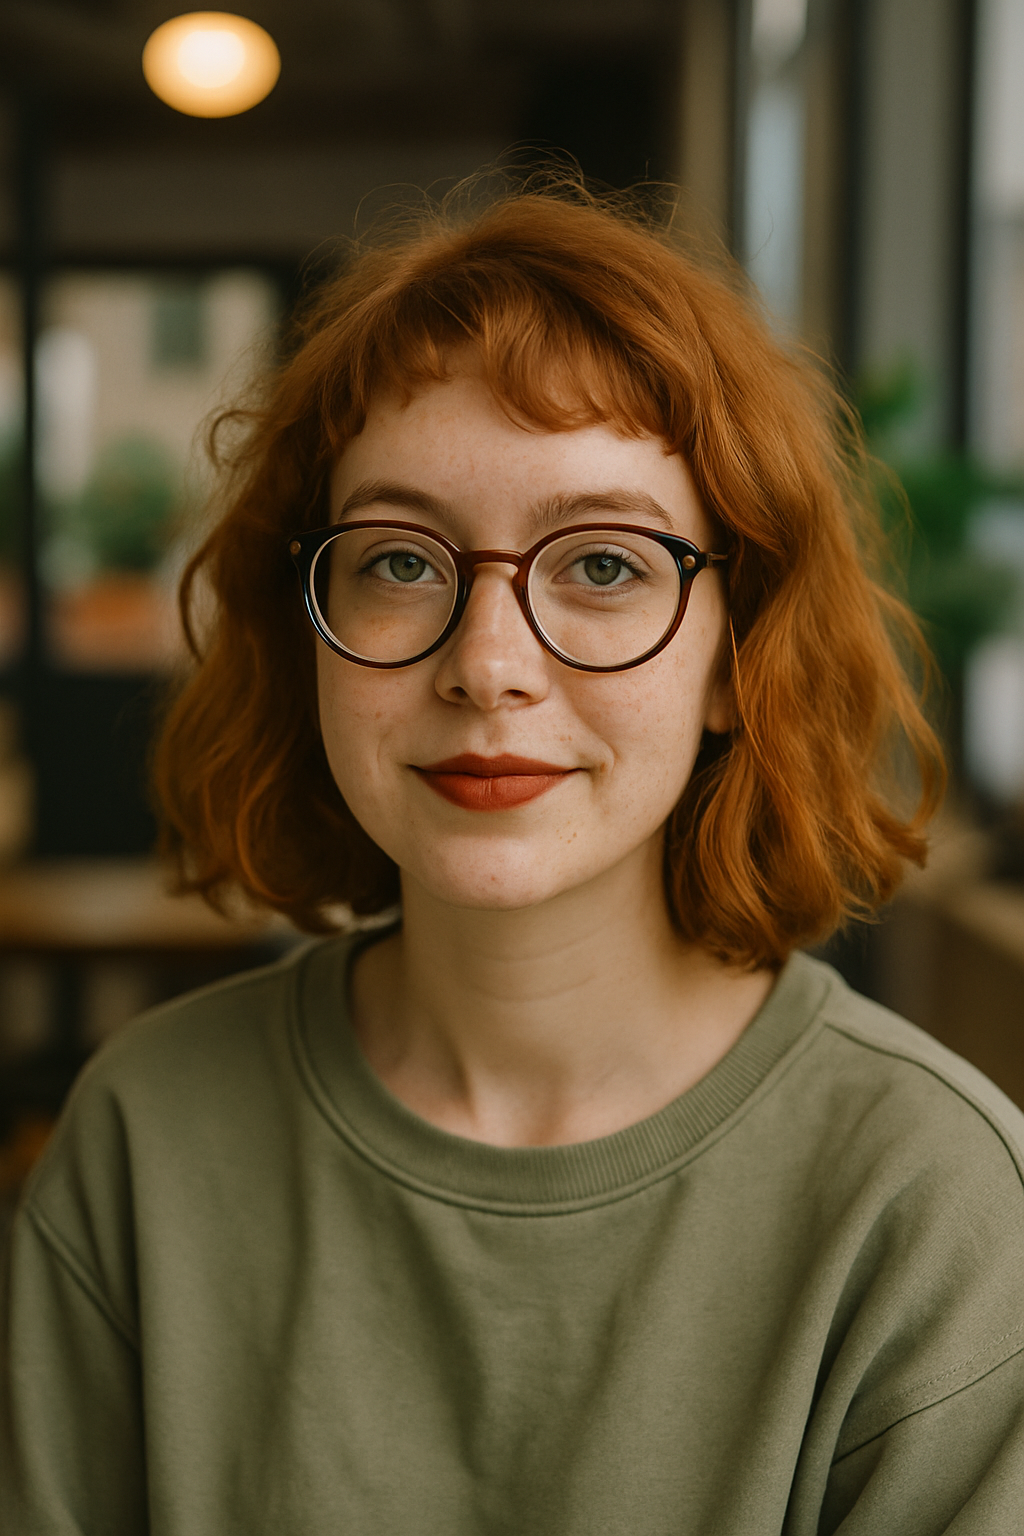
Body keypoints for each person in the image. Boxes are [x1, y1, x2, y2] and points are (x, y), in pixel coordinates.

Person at [3, 184, 1024, 1536]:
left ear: (737, 652)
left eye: (601, 563)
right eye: (400, 563)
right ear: (310, 628)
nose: (487, 665)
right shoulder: (146, 1135)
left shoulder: (935, 1201)